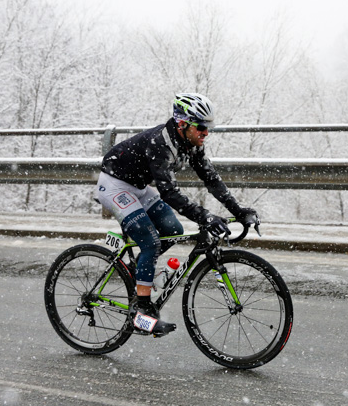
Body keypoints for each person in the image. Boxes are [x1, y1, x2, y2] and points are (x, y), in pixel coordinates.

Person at [97, 93, 259, 336]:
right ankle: (140, 314)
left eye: (209, 128)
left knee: (174, 230)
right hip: (115, 185)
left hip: (138, 187)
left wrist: (240, 211)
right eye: (202, 128)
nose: (206, 134)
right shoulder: (160, 143)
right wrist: (205, 217)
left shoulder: (191, 144)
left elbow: (211, 180)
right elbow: (169, 193)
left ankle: (140, 270)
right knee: (150, 241)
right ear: (183, 124)